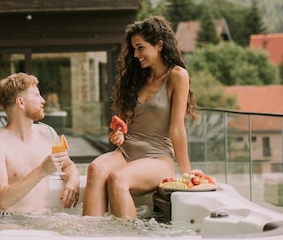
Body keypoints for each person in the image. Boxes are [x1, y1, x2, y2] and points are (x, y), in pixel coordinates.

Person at [82, 16, 199, 218]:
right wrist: (118, 134)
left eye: (140, 48)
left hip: (157, 158)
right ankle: (90, 235)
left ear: (159, 45)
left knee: (118, 178)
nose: (135, 54)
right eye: (133, 49)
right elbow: (125, 124)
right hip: (126, 153)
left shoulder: (177, 76)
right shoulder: (137, 77)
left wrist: (186, 174)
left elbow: (177, 128)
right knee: (96, 168)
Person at [0, 72, 80, 213]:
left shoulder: (47, 133)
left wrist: (74, 180)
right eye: (36, 95)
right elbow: (2, 200)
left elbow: (67, 165)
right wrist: (42, 170)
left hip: (40, 218)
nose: (43, 101)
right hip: (6, 223)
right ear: (20, 102)